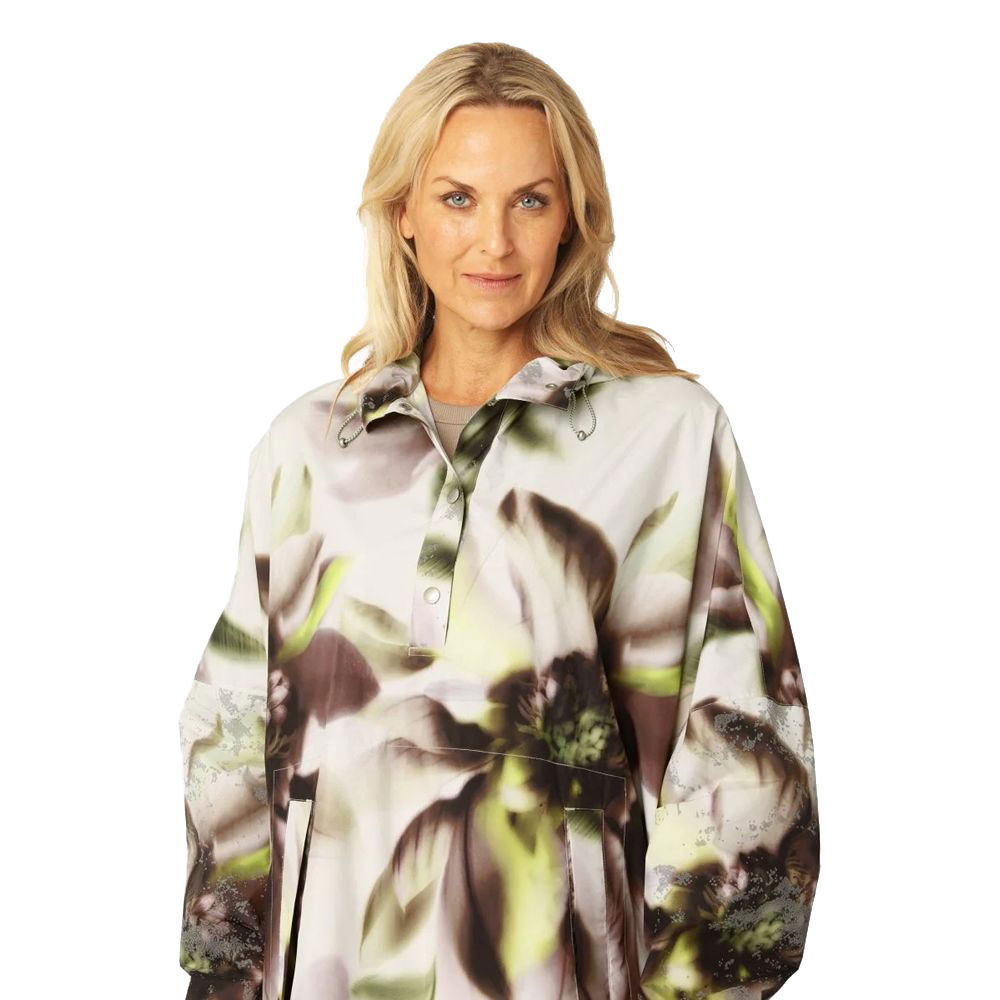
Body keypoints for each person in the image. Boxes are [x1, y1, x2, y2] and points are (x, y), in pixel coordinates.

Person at [176, 42, 820, 1000]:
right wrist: (222, 973)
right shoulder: (311, 445)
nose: (494, 243)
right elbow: (231, 729)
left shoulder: (665, 435)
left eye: (530, 200)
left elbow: (742, 738)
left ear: (573, 218)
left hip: (552, 963)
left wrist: (704, 986)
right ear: (403, 212)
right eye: (457, 199)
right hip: (327, 965)